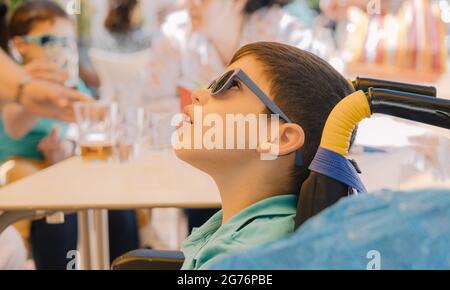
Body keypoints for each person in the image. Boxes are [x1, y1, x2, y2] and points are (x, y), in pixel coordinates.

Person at [174, 41, 355, 269]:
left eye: (230, 85)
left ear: (280, 138)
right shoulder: (257, 232)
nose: (198, 94)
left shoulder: (243, 259)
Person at [148, 0, 320, 233]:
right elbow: (150, 105)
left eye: (233, 85)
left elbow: (323, 100)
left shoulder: (285, 33)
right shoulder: (175, 35)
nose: (189, 3)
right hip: (195, 175)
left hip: (267, 182)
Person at [0, 0, 138, 270]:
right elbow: (14, 125)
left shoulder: (71, 83)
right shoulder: (15, 82)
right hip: (24, 174)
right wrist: (33, 91)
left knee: (118, 202)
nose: (60, 50)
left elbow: (98, 119)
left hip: (63, 168)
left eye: (67, 42)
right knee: (55, 203)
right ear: (20, 45)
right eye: (50, 41)